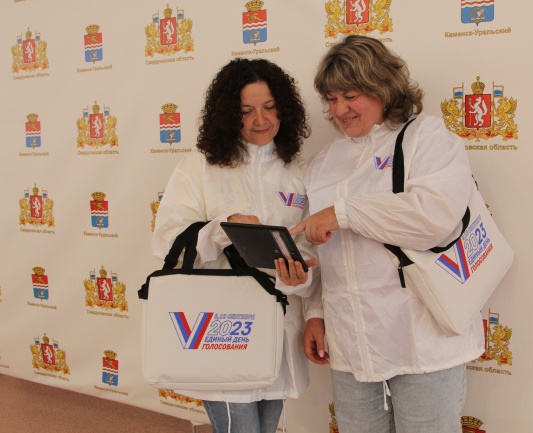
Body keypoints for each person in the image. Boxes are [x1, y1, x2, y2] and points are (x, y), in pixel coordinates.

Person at [290, 35, 485, 433]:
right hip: (352, 347)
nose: (339, 109)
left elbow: (435, 217)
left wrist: (343, 212)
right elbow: (321, 252)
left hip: (422, 341)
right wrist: (316, 313)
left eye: (351, 96)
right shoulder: (323, 163)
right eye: (332, 99)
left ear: (382, 88)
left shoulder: (426, 138)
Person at [152, 58, 321, 433]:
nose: (260, 120)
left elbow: (313, 251)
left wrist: (302, 280)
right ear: (229, 114)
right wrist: (223, 228)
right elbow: (167, 243)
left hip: (279, 326)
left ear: (284, 108)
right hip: (221, 327)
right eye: (246, 111)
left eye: (269, 107)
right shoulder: (199, 167)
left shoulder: (299, 170)